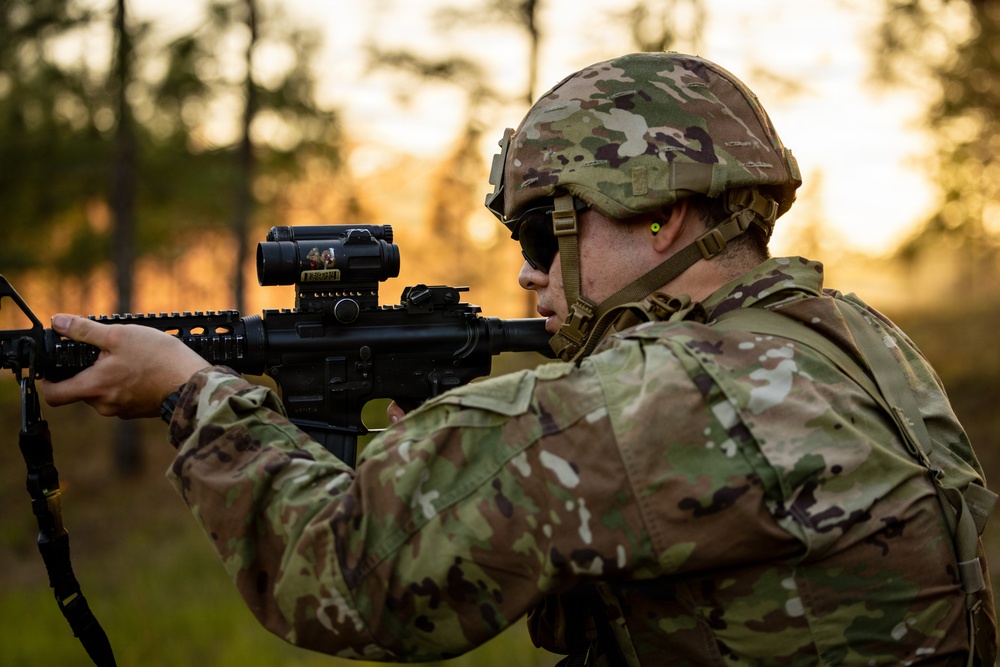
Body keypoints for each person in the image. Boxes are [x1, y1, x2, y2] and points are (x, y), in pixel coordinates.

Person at [41, 52, 997, 666]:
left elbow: (345, 575)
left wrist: (190, 393)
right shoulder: (857, 337)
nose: (533, 277)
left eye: (546, 232)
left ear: (661, 215)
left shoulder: (661, 393)